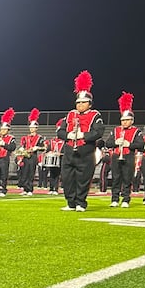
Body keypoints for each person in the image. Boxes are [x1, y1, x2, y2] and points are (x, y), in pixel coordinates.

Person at [57, 71, 104, 211]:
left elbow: (99, 132)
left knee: (83, 179)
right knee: (67, 178)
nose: (80, 105)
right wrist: (69, 135)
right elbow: (60, 131)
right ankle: (70, 203)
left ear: (90, 104)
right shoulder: (71, 114)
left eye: (84, 102)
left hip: (85, 151)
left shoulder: (95, 115)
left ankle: (80, 203)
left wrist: (82, 134)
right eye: (78, 102)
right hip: (69, 150)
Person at [105, 92, 143, 207]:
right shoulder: (116, 130)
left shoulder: (137, 131)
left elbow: (141, 144)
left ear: (132, 121)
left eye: (127, 120)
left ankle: (126, 199)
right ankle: (114, 199)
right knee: (116, 178)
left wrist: (129, 144)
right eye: (123, 120)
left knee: (127, 178)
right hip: (116, 156)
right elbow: (108, 143)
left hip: (128, 156)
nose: (124, 122)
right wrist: (116, 143)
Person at [16, 109, 44, 195]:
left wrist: (37, 147)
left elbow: (44, 148)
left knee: (31, 173)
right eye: (30, 127)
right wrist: (21, 149)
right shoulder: (25, 137)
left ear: (36, 128)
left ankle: (30, 190)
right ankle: (25, 189)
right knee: (24, 173)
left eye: (33, 128)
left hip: (33, 157)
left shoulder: (40, 138)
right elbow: (23, 146)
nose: (31, 129)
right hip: (25, 156)